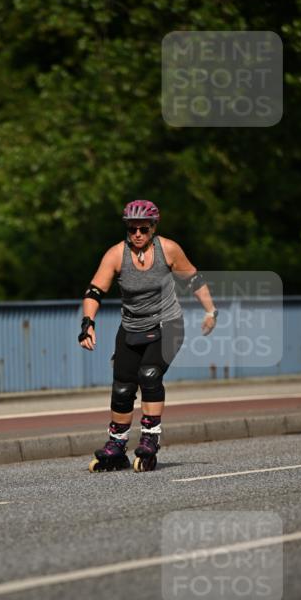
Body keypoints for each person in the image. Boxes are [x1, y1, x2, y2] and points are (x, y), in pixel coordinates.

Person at [78, 199, 218, 472]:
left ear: (154, 227)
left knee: (150, 374)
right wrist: (87, 324)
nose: (138, 235)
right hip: (131, 326)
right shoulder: (116, 254)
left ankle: (150, 440)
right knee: (122, 386)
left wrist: (210, 311)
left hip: (168, 324)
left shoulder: (168, 249)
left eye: (143, 228)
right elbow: (94, 290)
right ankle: (117, 444)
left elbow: (194, 279)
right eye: (132, 230)